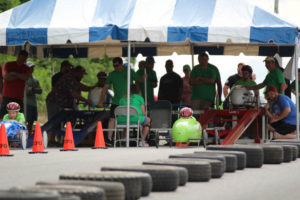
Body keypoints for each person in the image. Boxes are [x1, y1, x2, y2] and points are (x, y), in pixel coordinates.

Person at [97, 57, 139, 146]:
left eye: (117, 65)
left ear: (121, 64)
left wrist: (138, 96)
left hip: (129, 101)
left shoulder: (129, 71)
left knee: (126, 120)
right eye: (114, 66)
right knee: (111, 119)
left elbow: (138, 81)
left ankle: (124, 139)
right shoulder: (112, 74)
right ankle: (109, 139)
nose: (115, 67)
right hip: (116, 101)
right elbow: (105, 88)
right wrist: (100, 101)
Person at [0, 50, 31, 119]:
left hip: (18, 96)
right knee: (3, 115)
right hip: (7, 95)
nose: (23, 59)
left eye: (24, 58)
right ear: (18, 56)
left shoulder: (26, 68)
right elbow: (6, 77)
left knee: (18, 116)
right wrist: (19, 76)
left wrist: (14, 73)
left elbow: (25, 77)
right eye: (22, 57)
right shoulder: (8, 64)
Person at [25, 61, 43, 135]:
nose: (32, 69)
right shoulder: (25, 78)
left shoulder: (35, 80)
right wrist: (33, 89)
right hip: (26, 102)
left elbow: (40, 90)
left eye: (32, 67)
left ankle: (29, 134)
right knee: (25, 119)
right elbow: (26, 91)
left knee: (32, 120)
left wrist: (33, 89)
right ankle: (24, 134)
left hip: (33, 103)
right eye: (30, 67)